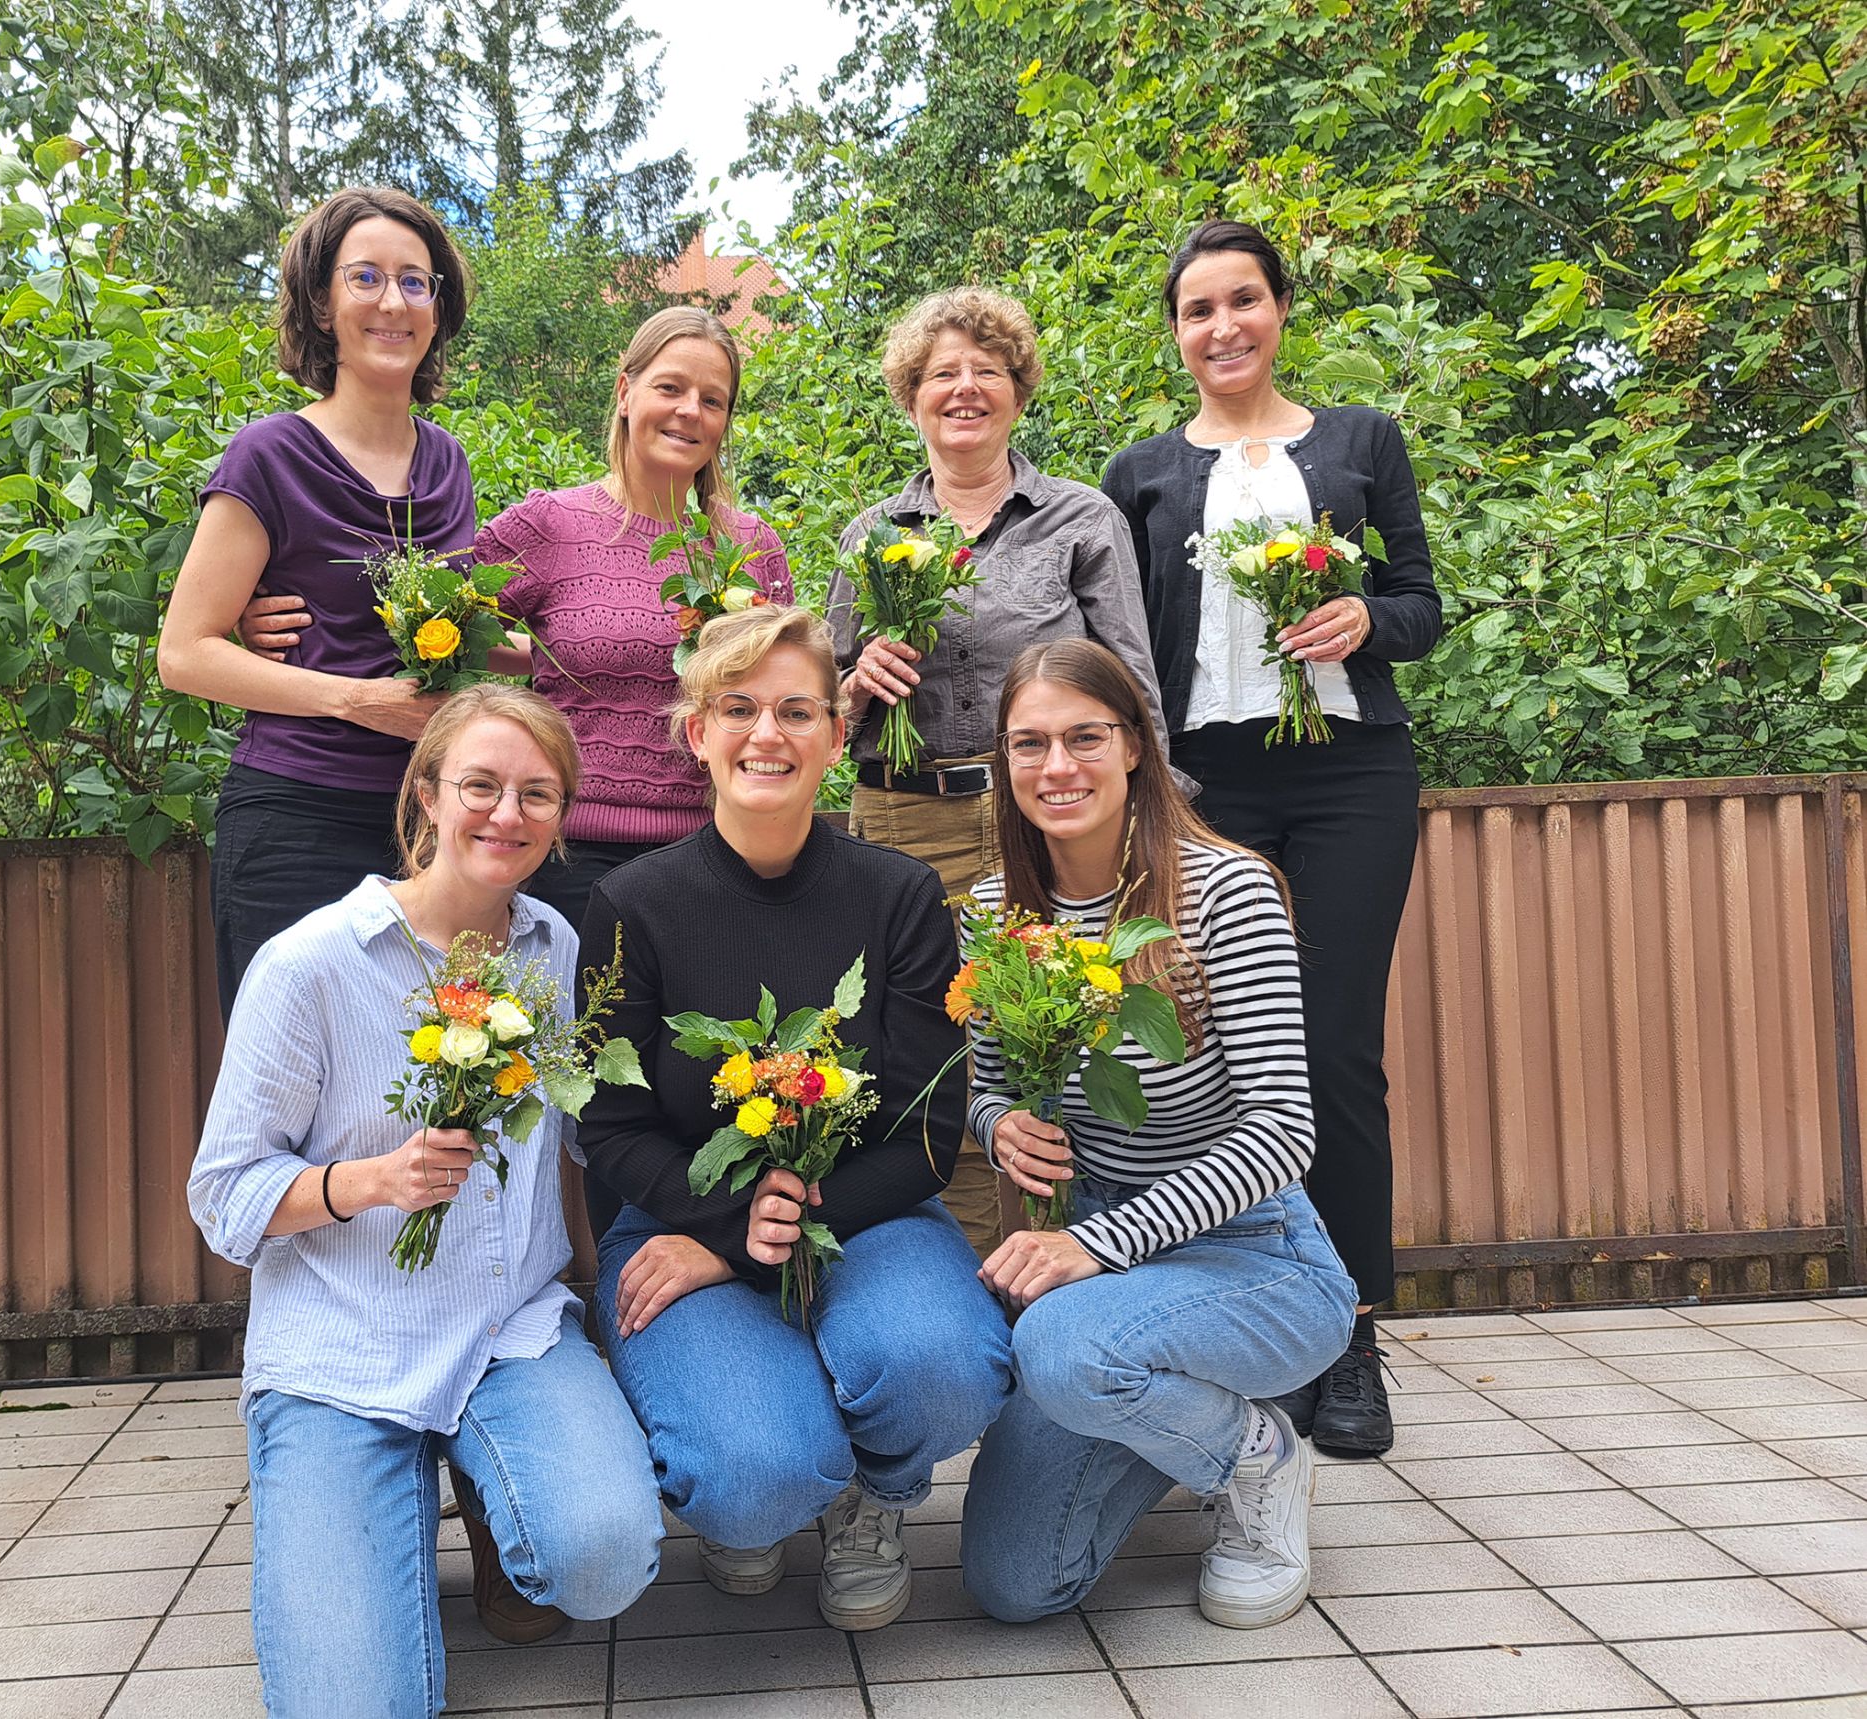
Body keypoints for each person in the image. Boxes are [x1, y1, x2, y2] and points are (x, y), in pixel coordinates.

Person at [187, 684, 664, 1719]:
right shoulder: (310, 963)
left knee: (604, 1561)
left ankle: (486, 1488)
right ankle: (358, 1521)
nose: (507, 814)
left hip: (510, 1332)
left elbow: (595, 1138)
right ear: (425, 794)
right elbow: (222, 1199)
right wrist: (369, 1183)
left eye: (539, 794)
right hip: (343, 1347)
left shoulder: (557, 951)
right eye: (482, 786)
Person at [575, 604, 1012, 1634]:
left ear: (836, 735)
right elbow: (612, 1128)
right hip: (681, 1215)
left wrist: (749, 1243)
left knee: (945, 1369)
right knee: (752, 1470)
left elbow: (922, 1132)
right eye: (738, 709)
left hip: (870, 1210)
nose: (766, 734)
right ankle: (771, 1496)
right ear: (697, 732)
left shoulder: (900, 895)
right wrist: (720, 1225)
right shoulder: (634, 904)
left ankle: (874, 1489)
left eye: (795, 711)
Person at [1100, 219, 1442, 1456]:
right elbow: (1119, 645)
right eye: (1198, 309)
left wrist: (1367, 613)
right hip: (1206, 787)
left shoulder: (1359, 441)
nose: (1223, 326)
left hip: (1352, 773)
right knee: (1209, 1053)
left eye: (1243, 301)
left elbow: (1422, 602)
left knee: (1335, 1049)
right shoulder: (1137, 473)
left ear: (1280, 309)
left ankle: (1349, 1334)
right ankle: (1235, 1324)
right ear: (1177, 333)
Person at [955, 638, 1357, 1631]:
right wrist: (1003, 1126)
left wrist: (1093, 1243)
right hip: (1109, 1284)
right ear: (1004, 765)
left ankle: (1259, 1464)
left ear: (1136, 745)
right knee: (1016, 1586)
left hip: (1256, 1260)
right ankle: (1169, 1413)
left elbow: (1281, 1132)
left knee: (1057, 1345)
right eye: (1029, 744)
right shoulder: (1002, 914)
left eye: (1085, 737)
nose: (1057, 767)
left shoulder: (1225, 892)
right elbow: (989, 1086)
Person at [246, 307, 793, 933]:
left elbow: (783, 696)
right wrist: (261, 603)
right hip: (568, 859)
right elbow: (431, 617)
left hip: (713, 858)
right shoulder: (550, 525)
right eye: (670, 387)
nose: (690, 411)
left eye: (713, 400)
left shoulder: (752, 546)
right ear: (625, 392)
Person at [824, 285, 1171, 1260]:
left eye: (987, 370)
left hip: (1048, 812)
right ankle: (967, 1290)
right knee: (942, 1050)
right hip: (907, 818)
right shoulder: (871, 533)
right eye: (943, 374)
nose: (965, 388)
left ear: (1018, 391)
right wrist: (857, 681)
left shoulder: (1079, 518)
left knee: (1069, 1031)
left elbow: (1130, 684)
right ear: (911, 396)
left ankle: (1080, 1274)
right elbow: (821, 707)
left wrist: (1159, 818)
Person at [158, 186, 477, 1021]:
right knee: (289, 1097)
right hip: (296, 818)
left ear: (437, 309)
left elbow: (455, 639)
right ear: (321, 302)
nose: (392, 301)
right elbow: (185, 652)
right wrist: (356, 700)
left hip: (429, 827)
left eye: (416, 281)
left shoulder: (449, 462)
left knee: (421, 1097)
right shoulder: (271, 454)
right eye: (364, 277)